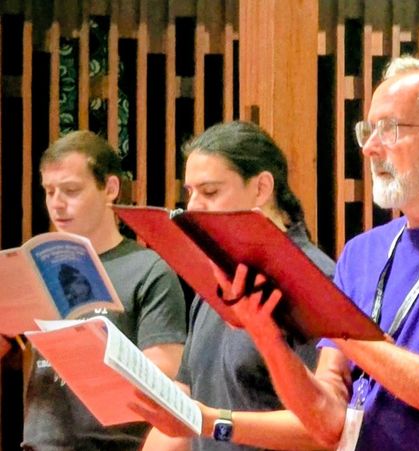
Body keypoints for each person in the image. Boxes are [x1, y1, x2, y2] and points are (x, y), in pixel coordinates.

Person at [136, 57, 419, 450]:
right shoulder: (362, 253)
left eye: (390, 129)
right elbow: (327, 423)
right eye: (368, 130)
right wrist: (266, 334)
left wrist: (336, 326)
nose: (370, 147)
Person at [139, 120, 336, 451]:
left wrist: (214, 423)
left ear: (261, 188)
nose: (193, 208)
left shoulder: (315, 281)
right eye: (190, 193)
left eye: (211, 192)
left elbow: (326, 425)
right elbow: (185, 405)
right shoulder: (216, 280)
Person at [22, 130, 188, 451]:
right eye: (49, 191)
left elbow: (167, 371)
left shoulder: (148, 269)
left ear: (110, 188)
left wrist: (88, 353)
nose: (57, 204)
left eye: (71, 190)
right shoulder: (40, 269)